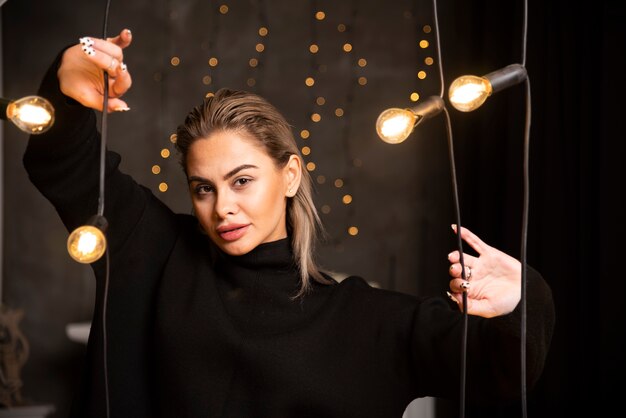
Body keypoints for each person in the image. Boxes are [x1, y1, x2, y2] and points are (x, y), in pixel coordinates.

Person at [23, 28, 555, 418]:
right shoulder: (153, 251)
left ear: (291, 175)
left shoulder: (364, 318)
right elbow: (62, 162)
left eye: (242, 180)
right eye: (202, 188)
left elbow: (498, 371)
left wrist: (519, 302)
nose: (222, 207)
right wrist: (69, 79)